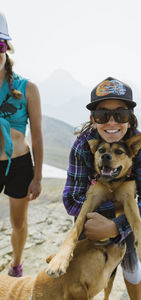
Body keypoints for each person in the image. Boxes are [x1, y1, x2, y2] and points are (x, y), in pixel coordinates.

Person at [62, 76, 141, 300]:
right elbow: (71, 199)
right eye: (102, 115)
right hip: (91, 213)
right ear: (93, 119)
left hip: (124, 212)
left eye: (121, 114)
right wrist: (99, 221)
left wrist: (116, 225)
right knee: (78, 265)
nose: (112, 122)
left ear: (130, 118)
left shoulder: (140, 145)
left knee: (131, 263)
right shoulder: (83, 145)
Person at [0, 12, 43, 277]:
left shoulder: (28, 88)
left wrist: (38, 177)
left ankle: (16, 265)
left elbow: (37, 136)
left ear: (7, 48)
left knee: (18, 222)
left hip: (19, 164)